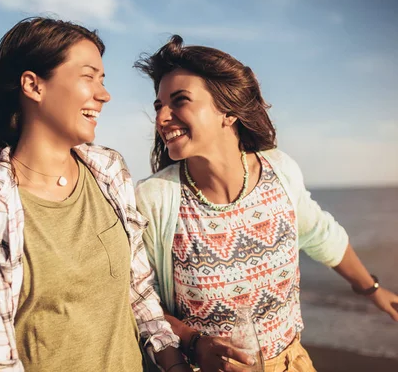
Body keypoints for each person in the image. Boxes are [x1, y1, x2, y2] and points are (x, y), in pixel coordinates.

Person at [0, 18, 191, 371]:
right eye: (88, 76)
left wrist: (174, 364)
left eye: (103, 79)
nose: (104, 94)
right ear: (33, 86)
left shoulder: (111, 172)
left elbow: (138, 292)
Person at [133, 35, 398, 372]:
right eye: (158, 106)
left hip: (293, 363)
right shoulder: (155, 198)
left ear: (227, 112)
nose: (162, 118)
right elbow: (142, 302)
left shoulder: (279, 170)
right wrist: (194, 342)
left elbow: (319, 233)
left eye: (179, 101)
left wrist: (371, 288)